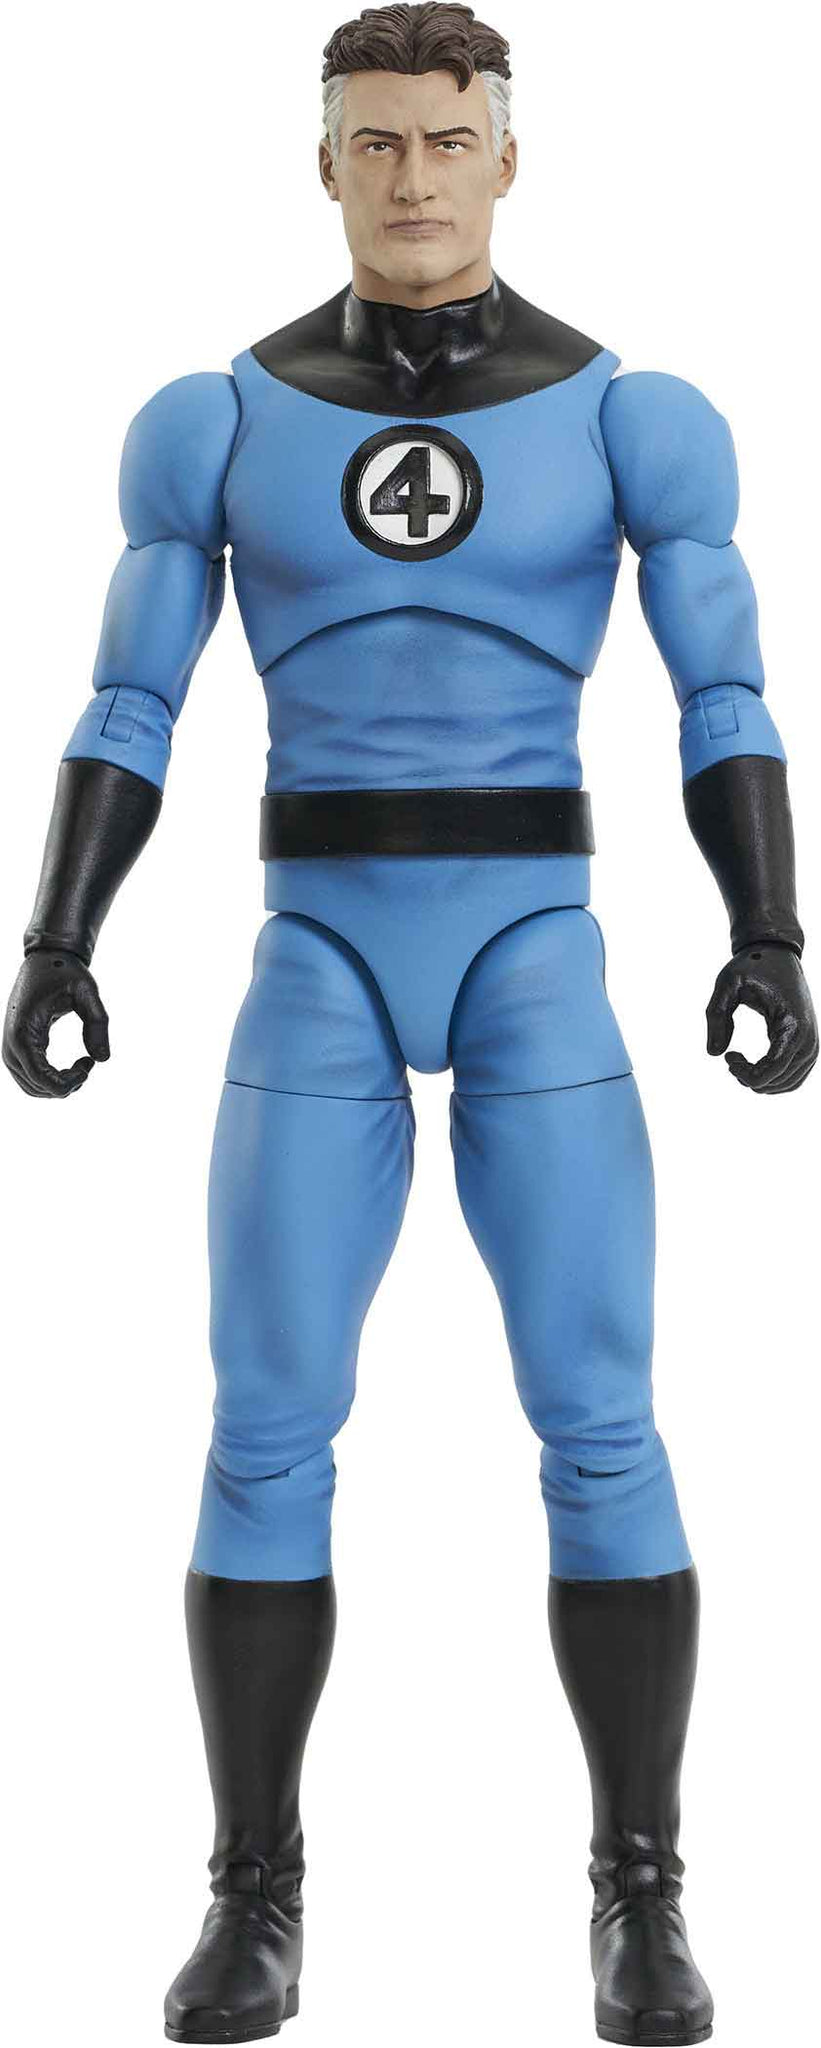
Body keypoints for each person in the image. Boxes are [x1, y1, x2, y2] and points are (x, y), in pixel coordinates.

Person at [3, 5, 816, 2043]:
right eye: (374, 142)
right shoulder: (220, 419)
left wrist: (769, 928)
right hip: (321, 945)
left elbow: (722, 686)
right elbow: (131, 698)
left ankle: (643, 1893)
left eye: (447, 141)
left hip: (538, 940)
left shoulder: (631, 416)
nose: (414, 178)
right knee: (267, 1419)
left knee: (601, 1414)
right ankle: (250, 1894)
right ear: (324, 161)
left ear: (507, 157)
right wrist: (61, 933)